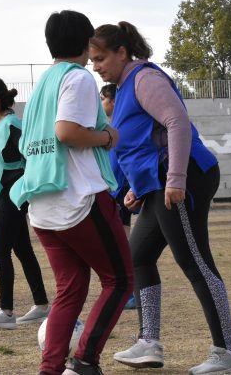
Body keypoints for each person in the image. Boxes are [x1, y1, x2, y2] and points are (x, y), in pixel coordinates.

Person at [89, 21, 231, 374]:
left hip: (183, 178)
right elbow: (142, 142)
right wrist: (135, 189)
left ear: (122, 52)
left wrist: (175, 179)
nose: (96, 66)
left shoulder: (144, 78)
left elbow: (176, 121)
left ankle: (227, 351)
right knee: (138, 257)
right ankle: (149, 343)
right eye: (92, 60)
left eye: (100, 58)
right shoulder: (124, 86)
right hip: (158, 183)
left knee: (195, 262)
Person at [9, 10, 133, 375]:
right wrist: (107, 137)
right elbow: (66, 132)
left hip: (42, 205)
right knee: (120, 280)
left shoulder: (43, 83)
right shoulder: (77, 78)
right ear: (85, 42)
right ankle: (84, 362)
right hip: (77, 199)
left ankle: (51, 369)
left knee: (70, 289)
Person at [0, 77, 50, 330]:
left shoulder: (13, 125)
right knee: (22, 250)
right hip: (3, 194)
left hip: (15, 196)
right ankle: (42, 305)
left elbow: (32, 160)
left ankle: (7, 311)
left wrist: (23, 191)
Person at [101, 83, 136, 311]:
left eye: (102, 98)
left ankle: (130, 294)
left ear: (113, 101)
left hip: (121, 189)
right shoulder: (108, 127)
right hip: (112, 189)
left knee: (122, 242)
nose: (100, 103)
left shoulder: (121, 126)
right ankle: (125, 291)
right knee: (114, 242)